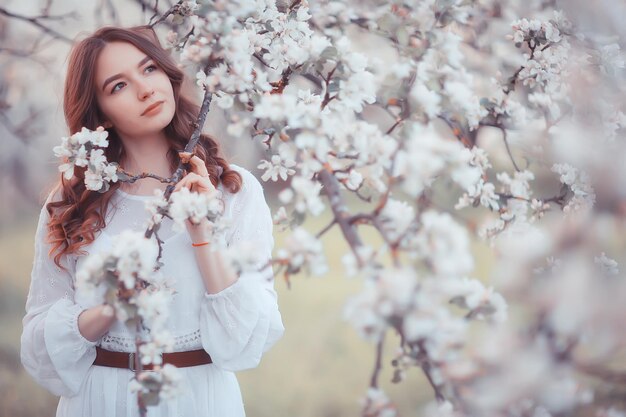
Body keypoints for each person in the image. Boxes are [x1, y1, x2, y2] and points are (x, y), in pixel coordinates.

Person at [20, 24, 285, 417]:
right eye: (118, 86)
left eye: (148, 69)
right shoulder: (71, 203)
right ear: (100, 114)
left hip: (199, 397)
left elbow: (245, 341)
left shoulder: (233, 190)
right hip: (101, 399)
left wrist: (203, 236)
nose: (145, 89)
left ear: (168, 73)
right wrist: (111, 308)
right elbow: (39, 348)